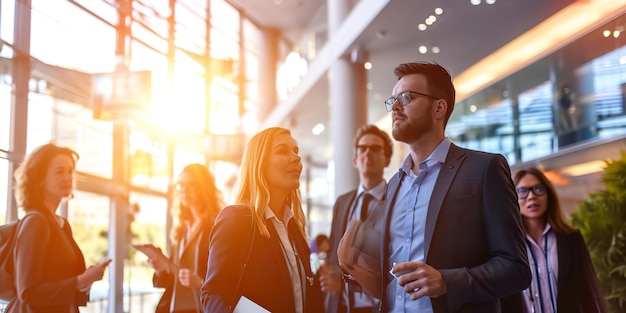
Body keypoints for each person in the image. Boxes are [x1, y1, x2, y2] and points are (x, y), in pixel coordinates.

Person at [376, 61, 531, 312]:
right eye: (392, 100)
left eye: (406, 98)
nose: (394, 107)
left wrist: (447, 281)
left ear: (439, 108)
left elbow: (516, 268)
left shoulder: (483, 169)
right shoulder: (394, 185)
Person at [200, 127, 322, 313]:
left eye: (296, 151)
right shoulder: (236, 219)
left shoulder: (295, 230)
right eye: (282, 151)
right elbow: (214, 294)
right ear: (259, 163)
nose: (296, 158)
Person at [7, 143, 110, 313]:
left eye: (70, 171)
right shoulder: (36, 223)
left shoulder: (61, 224)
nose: (67, 177)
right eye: (59, 171)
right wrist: (81, 280)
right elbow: (28, 293)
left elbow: (66, 284)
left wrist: (85, 281)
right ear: (39, 179)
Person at [502, 167, 606, 313]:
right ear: (513, 198)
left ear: (549, 195)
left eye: (538, 189)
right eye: (522, 191)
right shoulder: (507, 245)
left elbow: (588, 289)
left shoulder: (571, 238)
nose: (531, 196)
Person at [321, 124, 393, 313]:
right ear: (355, 159)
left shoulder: (397, 202)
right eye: (362, 148)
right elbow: (333, 251)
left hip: (381, 306)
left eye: (376, 148)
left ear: (387, 159)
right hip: (343, 306)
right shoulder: (342, 203)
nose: (368, 153)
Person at [149, 163, 224, 313]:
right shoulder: (181, 229)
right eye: (181, 185)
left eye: (191, 185)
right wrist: (161, 270)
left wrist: (200, 282)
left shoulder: (215, 227)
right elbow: (172, 280)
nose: (184, 190)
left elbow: (224, 278)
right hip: (175, 308)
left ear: (204, 188)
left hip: (202, 308)